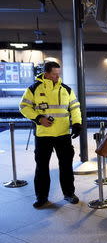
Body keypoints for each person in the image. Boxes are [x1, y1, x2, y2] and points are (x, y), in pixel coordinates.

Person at [19, 61, 82, 208]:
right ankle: (41, 197)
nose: (57, 76)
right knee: (42, 167)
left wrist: (77, 123)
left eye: (58, 73)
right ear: (46, 73)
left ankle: (69, 194)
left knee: (66, 166)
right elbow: (23, 106)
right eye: (54, 74)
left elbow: (75, 107)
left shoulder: (66, 89)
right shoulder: (33, 89)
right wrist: (39, 118)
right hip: (43, 135)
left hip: (63, 134)